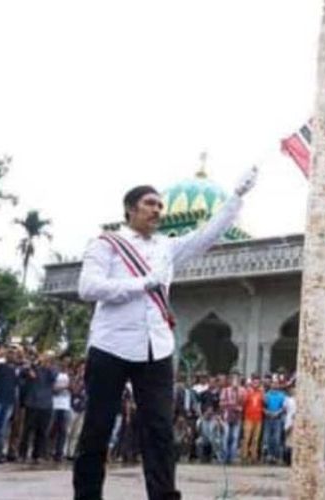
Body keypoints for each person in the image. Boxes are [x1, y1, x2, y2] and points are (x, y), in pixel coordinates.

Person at [73, 167, 256, 500]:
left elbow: (207, 235)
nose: (157, 210)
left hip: (155, 349)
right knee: (97, 430)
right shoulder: (107, 244)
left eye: (160, 205)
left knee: (159, 430)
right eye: (149, 203)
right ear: (130, 209)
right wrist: (142, 284)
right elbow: (87, 287)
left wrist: (236, 197)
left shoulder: (166, 248)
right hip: (111, 345)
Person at [219, 370, 245, 464]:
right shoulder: (225, 390)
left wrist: (239, 407)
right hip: (227, 416)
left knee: (234, 437)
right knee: (225, 437)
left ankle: (232, 457)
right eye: (233, 378)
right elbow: (221, 403)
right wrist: (232, 405)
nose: (235, 380)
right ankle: (224, 457)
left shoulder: (242, 391)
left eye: (237, 378)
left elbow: (243, 403)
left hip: (237, 417)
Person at [240, 374, 264, 464]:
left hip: (258, 418)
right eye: (254, 382)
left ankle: (254, 456)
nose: (256, 384)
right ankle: (244, 456)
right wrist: (247, 393)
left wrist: (262, 393)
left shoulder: (261, 393)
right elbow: (243, 402)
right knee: (247, 438)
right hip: (248, 418)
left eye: (257, 382)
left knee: (255, 438)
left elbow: (265, 402)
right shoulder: (248, 392)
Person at [263, 379, 286, 464]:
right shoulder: (267, 395)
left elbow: (284, 407)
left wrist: (277, 413)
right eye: (273, 383)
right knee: (268, 438)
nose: (274, 385)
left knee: (276, 439)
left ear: (278, 385)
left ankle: (276, 456)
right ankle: (269, 455)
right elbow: (263, 406)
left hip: (278, 419)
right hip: (268, 418)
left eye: (276, 383)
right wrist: (267, 412)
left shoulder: (282, 395)